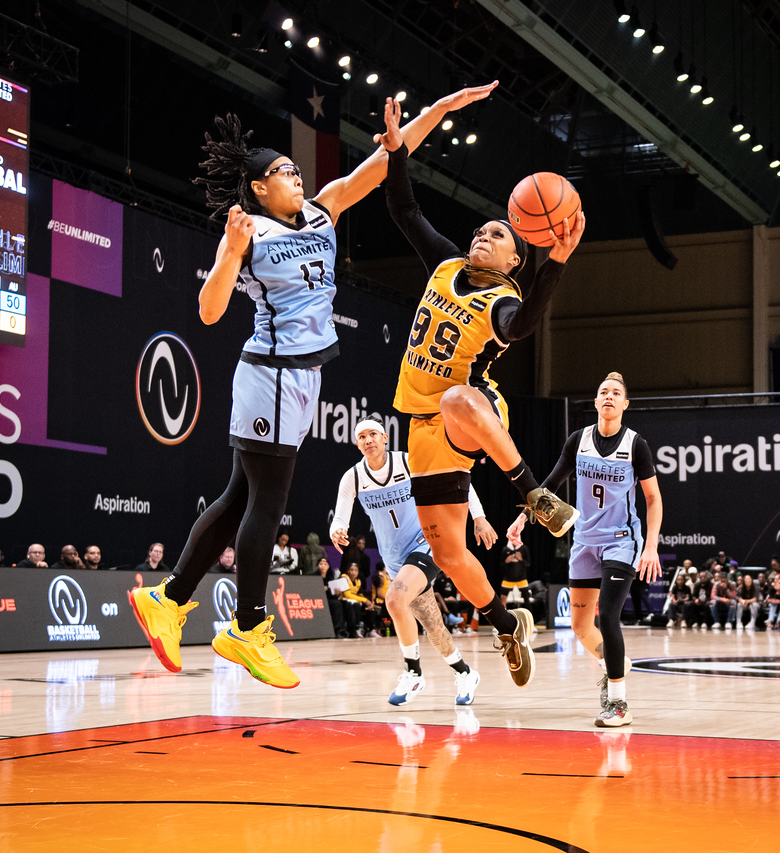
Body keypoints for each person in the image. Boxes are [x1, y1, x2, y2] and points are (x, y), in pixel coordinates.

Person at [129, 84, 491, 688]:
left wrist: (438, 112)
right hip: (270, 374)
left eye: (297, 170)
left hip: (300, 379)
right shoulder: (248, 231)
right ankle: (246, 627)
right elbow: (210, 311)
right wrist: (230, 254)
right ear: (259, 188)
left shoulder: (323, 211)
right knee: (266, 504)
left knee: (239, 498)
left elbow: (383, 162)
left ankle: (167, 599)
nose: (296, 177)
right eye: (283, 172)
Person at [380, 93, 586, 689]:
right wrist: (396, 150)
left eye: (497, 234)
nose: (482, 235)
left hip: (473, 409)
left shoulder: (503, 300)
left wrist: (557, 261)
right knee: (448, 554)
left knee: (454, 397)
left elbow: (522, 328)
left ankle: (534, 495)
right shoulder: (446, 266)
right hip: (422, 429)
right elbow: (404, 208)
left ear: (515, 259)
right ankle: (505, 625)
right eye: (480, 230)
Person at [507, 371, 661, 726]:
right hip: (584, 541)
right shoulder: (579, 440)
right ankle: (615, 663)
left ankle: (618, 703)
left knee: (607, 615)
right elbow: (549, 485)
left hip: (621, 540)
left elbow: (653, 498)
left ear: (625, 404)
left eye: (616, 393)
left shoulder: (635, 445)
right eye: (604, 391)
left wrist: (650, 545)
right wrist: (523, 518)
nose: (609, 396)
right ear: (595, 401)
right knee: (579, 626)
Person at [331, 418, 493, 706]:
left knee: (394, 600)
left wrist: (478, 517)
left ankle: (413, 673)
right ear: (357, 444)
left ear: (385, 437)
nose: (368, 440)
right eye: (362, 437)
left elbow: (457, 477)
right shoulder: (352, 477)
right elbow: (340, 516)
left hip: (426, 544)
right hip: (395, 560)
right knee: (432, 624)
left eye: (373, 434)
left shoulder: (408, 462)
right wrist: (337, 529)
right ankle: (465, 672)